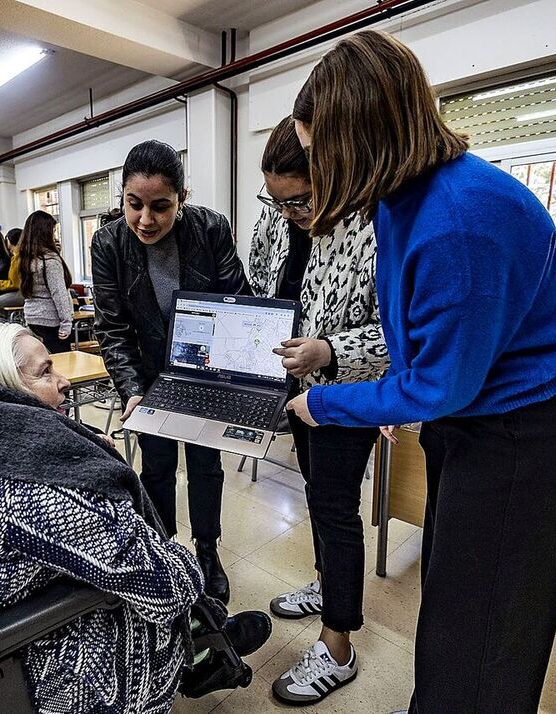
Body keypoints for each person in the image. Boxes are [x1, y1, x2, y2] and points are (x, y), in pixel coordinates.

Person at [285, 31, 556, 713]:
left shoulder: (456, 219)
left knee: (482, 634)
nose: (316, 181)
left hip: (529, 432)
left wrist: (331, 405)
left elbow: (439, 383)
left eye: (320, 156)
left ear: (357, 141)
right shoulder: (404, 199)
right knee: (455, 614)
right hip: (479, 419)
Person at [0, 324, 272, 713]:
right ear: (6, 388)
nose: (65, 382)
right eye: (46, 373)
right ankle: (192, 658)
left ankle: (200, 641)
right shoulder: (27, 489)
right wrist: (93, 471)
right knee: (155, 586)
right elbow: (168, 585)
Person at [248, 116, 389, 704]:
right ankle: (330, 584)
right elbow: (258, 278)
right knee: (315, 494)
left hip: (344, 394)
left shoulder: (375, 226)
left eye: (300, 201)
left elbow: (400, 335)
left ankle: (339, 645)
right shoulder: (278, 219)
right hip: (296, 390)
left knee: (335, 507)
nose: (288, 215)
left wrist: (329, 349)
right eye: (277, 202)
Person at [91, 140, 250, 605]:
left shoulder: (210, 229)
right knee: (156, 468)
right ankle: (162, 552)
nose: (145, 220)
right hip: (146, 377)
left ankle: (206, 551)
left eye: (161, 207)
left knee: (206, 465)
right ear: (121, 198)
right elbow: (112, 327)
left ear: (183, 198)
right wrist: (131, 390)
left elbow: (235, 302)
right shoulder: (108, 242)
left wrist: (236, 379)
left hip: (203, 372)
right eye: (133, 205)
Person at [11, 210, 74, 353]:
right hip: (51, 321)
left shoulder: (24, 258)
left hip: (32, 318)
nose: (55, 235)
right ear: (46, 233)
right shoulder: (50, 260)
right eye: (53, 231)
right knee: (62, 366)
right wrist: (66, 322)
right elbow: (59, 292)